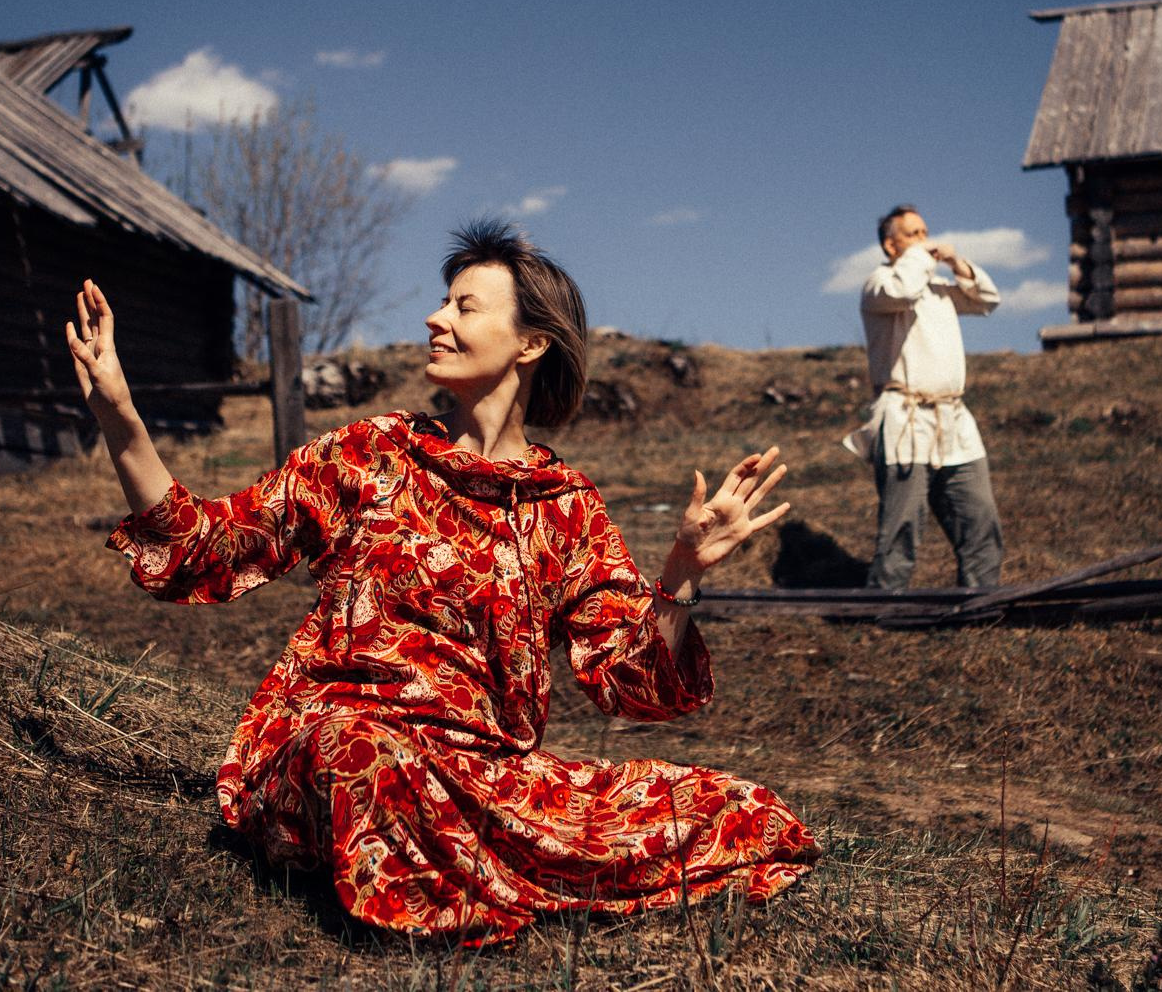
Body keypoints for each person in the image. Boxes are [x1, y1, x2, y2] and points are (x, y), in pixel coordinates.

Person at [65, 221, 819, 944]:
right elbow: (210, 546)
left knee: (731, 808)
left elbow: (635, 686)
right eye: (441, 301)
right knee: (357, 759)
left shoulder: (566, 507)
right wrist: (121, 418)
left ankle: (476, 860)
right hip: (341, 741)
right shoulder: (370, 453)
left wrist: (680, 574)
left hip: (481, 773)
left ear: (530, 342)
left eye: (464, 306)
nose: (434, 318)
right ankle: (475, 875)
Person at [842, 205, 1006, 590]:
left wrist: (956, 261)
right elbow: (903, 288)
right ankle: (885, 606)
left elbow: (986, 299)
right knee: (902, 524)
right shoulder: (878, 285)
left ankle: (981, 602)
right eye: (913, 234)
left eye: (925, 232)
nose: (924, 241)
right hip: (905, 419)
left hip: (953, 419)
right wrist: (920, 256)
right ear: (890, 244)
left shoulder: (936, 289)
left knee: (979, 516)